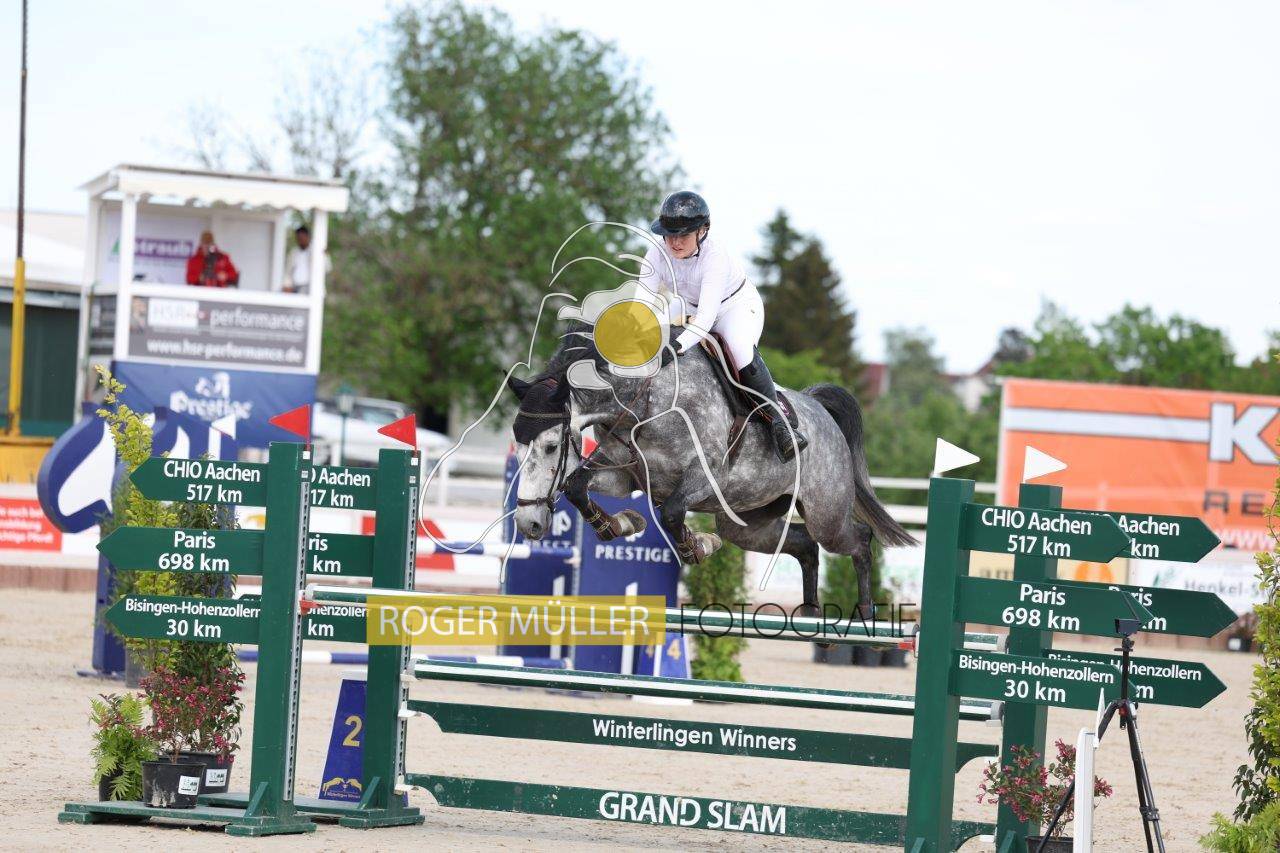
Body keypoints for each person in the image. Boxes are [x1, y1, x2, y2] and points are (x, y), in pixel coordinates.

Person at [639, 190, 808, 461]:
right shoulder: (656, 253)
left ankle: (781, 424)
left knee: (739, 349)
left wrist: (676, 346)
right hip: (687, 306)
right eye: (669, 235)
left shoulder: (714, 255)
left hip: (733, 307)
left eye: (683, 235)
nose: (675, 242)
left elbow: (707, 318)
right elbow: (641, 305)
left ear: (702, 231)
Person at [284, 224, 327, 294]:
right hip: (294, 286)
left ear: (307, 237)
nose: (300, 240)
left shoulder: (316, 251)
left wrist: (324, 255)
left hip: (309, 287)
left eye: (302, 237)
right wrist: (287, 285)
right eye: (298, 238)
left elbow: (327, 268)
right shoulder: (293, 252)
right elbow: (288, 271)